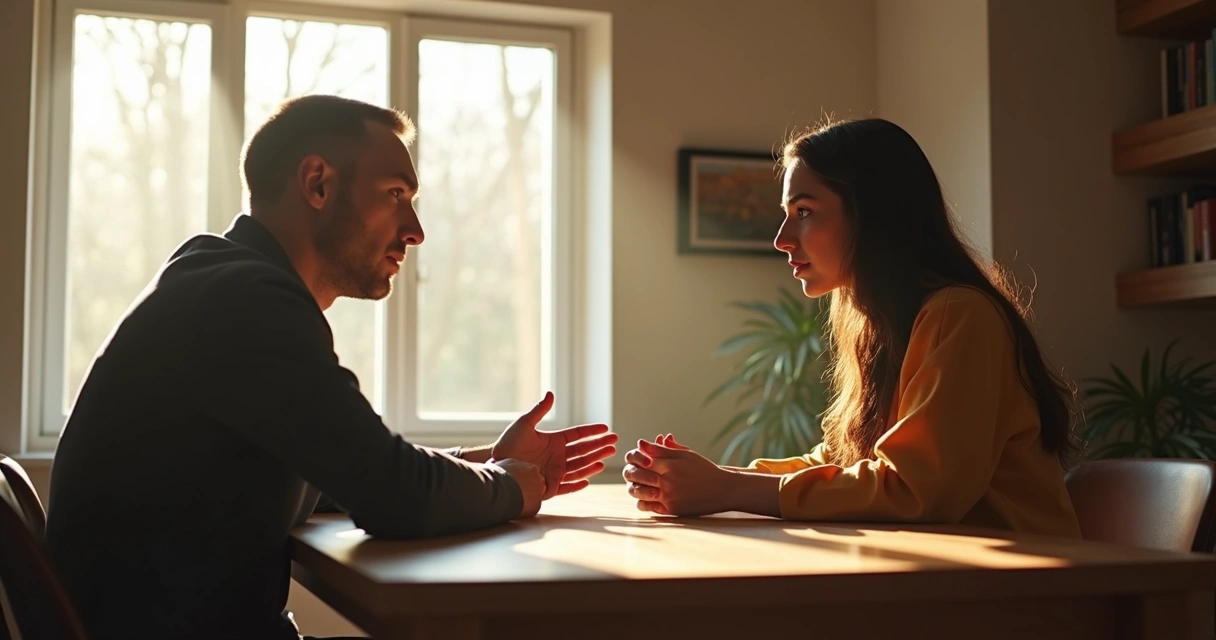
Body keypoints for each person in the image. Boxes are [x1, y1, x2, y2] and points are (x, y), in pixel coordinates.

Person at [44, 94, 618, 640]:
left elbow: (337, 467)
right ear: (318, 183)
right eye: (396, 193)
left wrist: (483, 464)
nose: (415, 230)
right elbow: (392, 493)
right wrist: (514, 485)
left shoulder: (217, 277)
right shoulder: (245, 300)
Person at [622, 118, 1082, 538]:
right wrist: (716, 479)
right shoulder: (875, 321)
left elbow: (916, 491)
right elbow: (845, 462)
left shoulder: (959, 315)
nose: (781, 239)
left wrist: (728, 490)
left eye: (803, 211)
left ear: (874, 214)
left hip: (1023, 591)